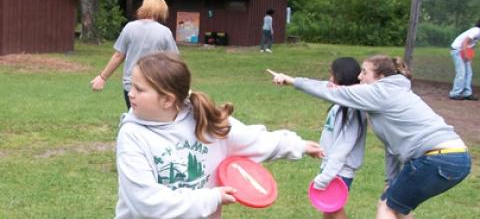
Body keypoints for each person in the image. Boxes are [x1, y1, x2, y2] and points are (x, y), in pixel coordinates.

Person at [114, 52, 324, 219]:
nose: (130, 93)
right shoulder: (132, 135)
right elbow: (145, 202)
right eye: (131, 85)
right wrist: (211, 198)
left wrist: (298, 145)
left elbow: (254, 140)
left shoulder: (204, 120)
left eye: (139, 89)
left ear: (167, 100)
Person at [268, 55, 471, 219]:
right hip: (456, 157)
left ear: (380, 76)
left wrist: (292, 80)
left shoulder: (379, 93)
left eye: (364, 72)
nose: (359, 77)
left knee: (387, 207)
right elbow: (392, 148)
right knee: (399, 206)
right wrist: (391, 180)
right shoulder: (386, 96)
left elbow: (332, 92)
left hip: (438, 158)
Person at [90, 0, 178, 109]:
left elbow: (118, 56)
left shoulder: (129, 27)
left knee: (135, 119)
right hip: (155, 86)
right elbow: (174, 61)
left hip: (131, 86)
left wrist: (102, 77)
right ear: (161, 11)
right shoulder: (165, 32)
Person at [311, 57, 367, 219]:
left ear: (341, 76)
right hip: (331, 167)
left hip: (339, 170)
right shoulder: (340, 104)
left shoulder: (353, 109)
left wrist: (327, 176)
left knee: (334, 209)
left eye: (332, 74)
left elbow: (344, 147)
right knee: (328, 209)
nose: (330, 79)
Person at [449, 20, 480, 100]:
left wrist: (469, 53)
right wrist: (466, 54)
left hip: (464, 50)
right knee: (461, 73)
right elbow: (465, 42)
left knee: (469, 73)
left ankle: (467, 93)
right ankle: (454, 93)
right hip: (457, 50)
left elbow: (471, 44)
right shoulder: (476, 30)